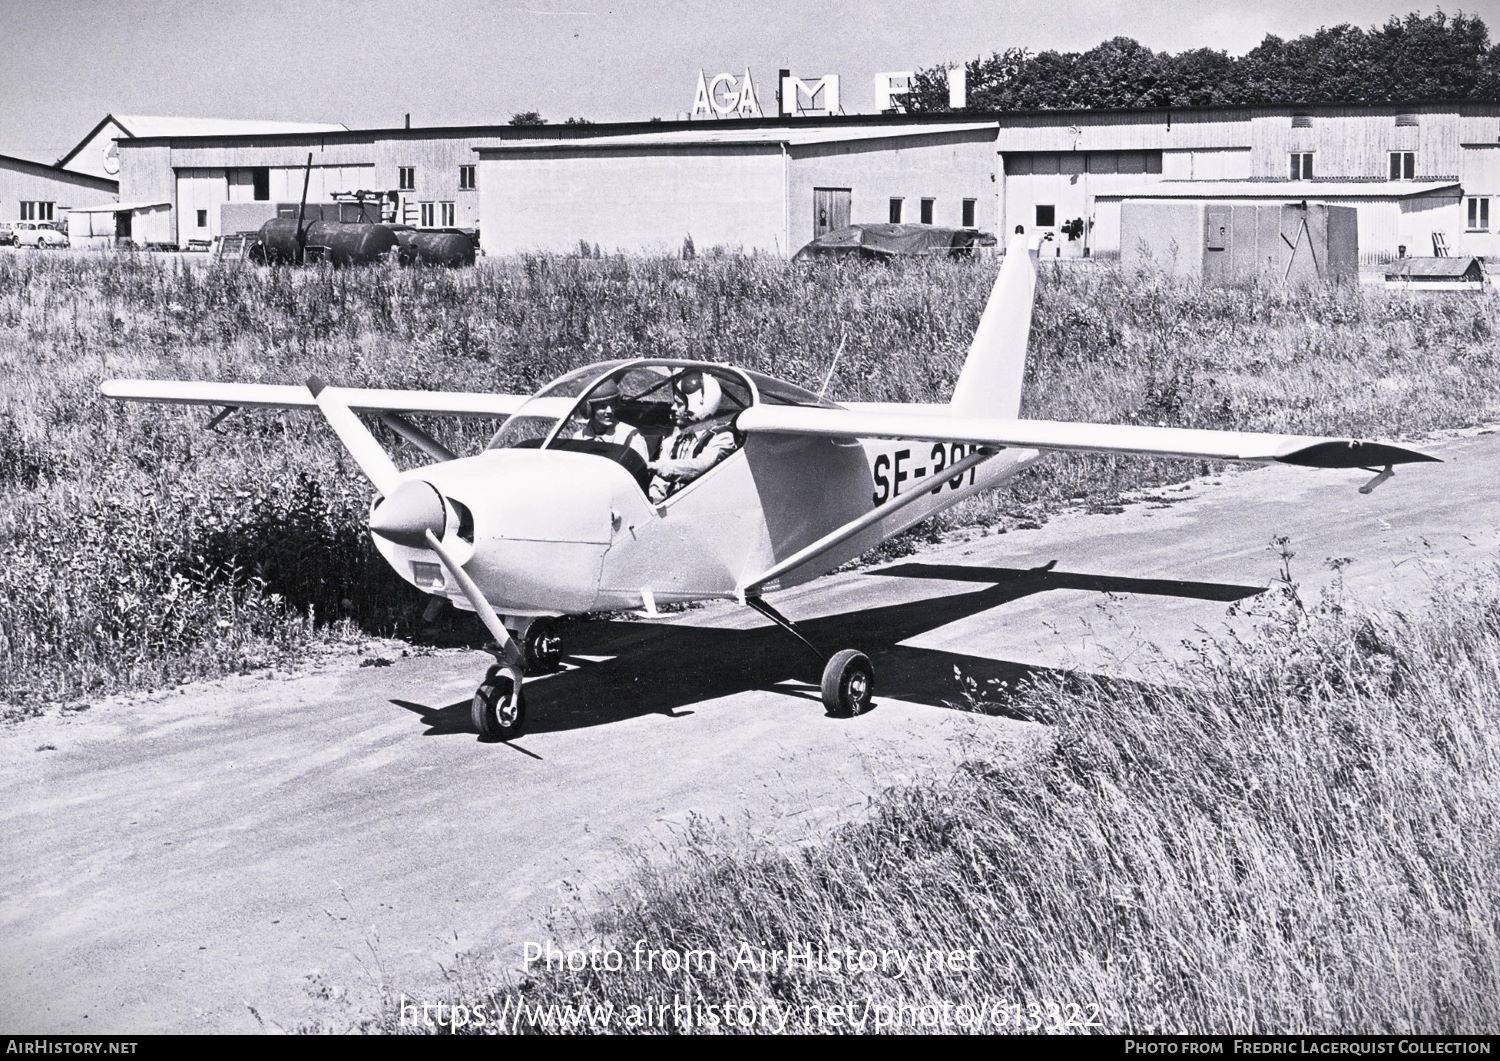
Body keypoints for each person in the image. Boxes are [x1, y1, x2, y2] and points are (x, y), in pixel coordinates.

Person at [648, 370, 739, 503]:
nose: (673, 408)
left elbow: (700, 466)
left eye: (679, 404)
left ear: (698, 404)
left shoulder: (723, 437)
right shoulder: (674, 440)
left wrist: (657, 467)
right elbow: (659, 487)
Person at [570, 378, 649, 463]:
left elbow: (641, 472)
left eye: (612, 405)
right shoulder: (578, 438)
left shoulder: (630, 436)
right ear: (588, 409)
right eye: (602, 406)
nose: (609, 411)